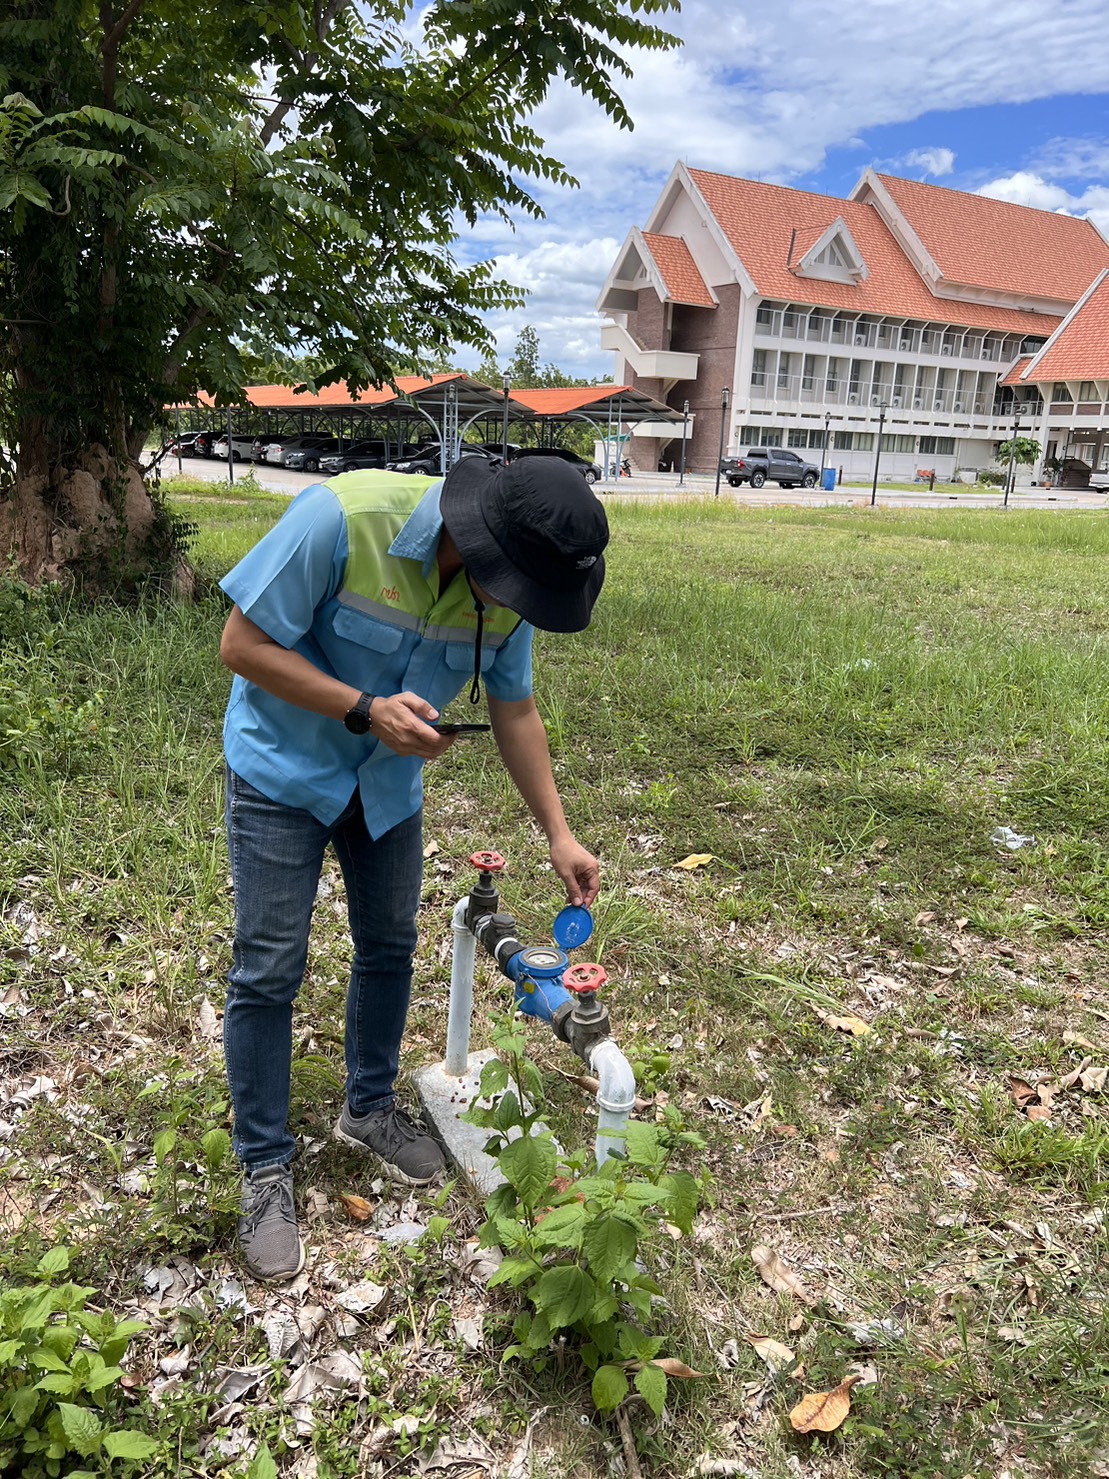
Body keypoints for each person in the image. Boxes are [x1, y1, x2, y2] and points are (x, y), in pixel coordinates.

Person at [217, 453, 609, 1281]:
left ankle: (368, 1107)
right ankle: (263, 1165)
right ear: (484, 546)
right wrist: (362, 707)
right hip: (282, 771)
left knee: (390, 945)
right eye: (518, 591)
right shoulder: (340, 520)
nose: (518, 609)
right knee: (269, 968)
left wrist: (558, 833)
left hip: (385, 787)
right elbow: (241, 645)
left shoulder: (512, 591)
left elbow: (517, 707)